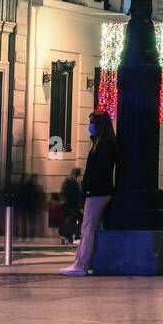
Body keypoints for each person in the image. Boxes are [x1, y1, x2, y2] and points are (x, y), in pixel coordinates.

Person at [59, 111, 117, 276]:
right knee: (91, 228)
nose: (89, 126)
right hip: (99, 190)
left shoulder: (104, 144)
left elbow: (101, 170)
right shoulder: (101, 142)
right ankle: (85, 263)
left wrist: (88, 186)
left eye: (92, 122)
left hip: (98, 192)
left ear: (99, 125)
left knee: (87, 228)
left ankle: (81, 264)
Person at [59, 167, 83, 241]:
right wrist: (65, 203)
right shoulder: (68, 183)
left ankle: (75, 235)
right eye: (77, 175)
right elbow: (62, 194)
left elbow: (79, 194)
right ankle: (69, 235)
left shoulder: (76, 183)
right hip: (68, 206)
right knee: (69, 221)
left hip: (75, 206)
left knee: (78, 219)